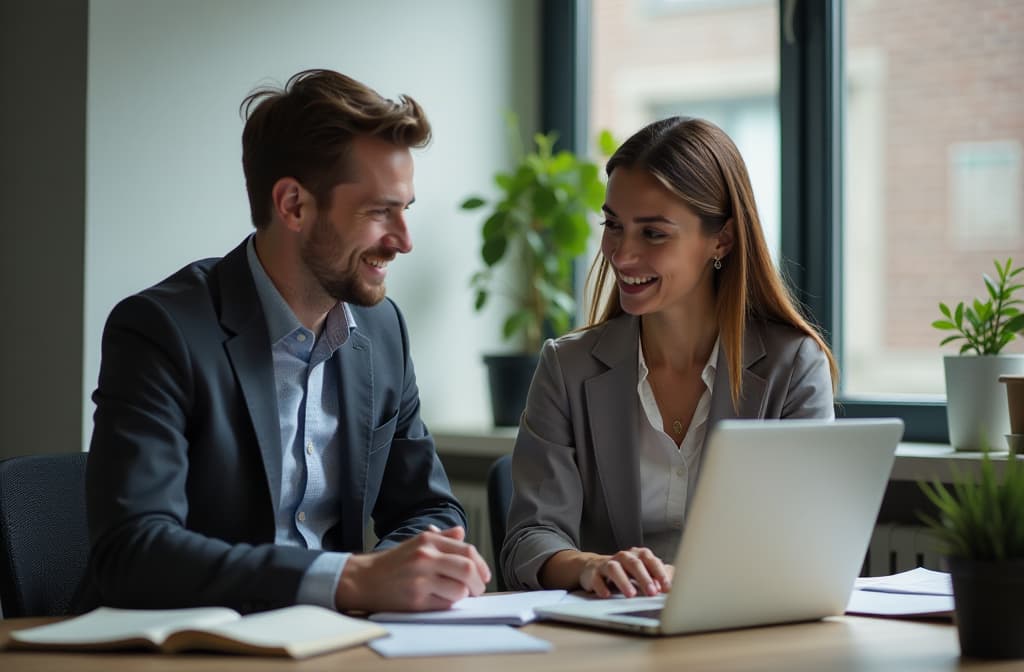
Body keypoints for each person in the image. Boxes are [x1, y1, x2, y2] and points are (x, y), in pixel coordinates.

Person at [78, 69, 489, 615]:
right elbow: (134, 552)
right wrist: (347, 579)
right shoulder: (159, 331)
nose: (404, 241)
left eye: (405, 209)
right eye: (377, 211)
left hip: (337, 645)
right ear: (293, 205)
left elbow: (431, 510)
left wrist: (396, 572)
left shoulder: (383, 330)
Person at [500, 117, 837, 597]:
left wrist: (697, 583)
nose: (622, 254)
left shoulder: (793, 367)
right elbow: (528, 540)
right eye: (614, 226)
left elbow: (804, 545)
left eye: (653, 234)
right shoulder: (567, 368)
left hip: (741, 635)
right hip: (606, 643)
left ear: (720, 239)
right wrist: (589, 565)